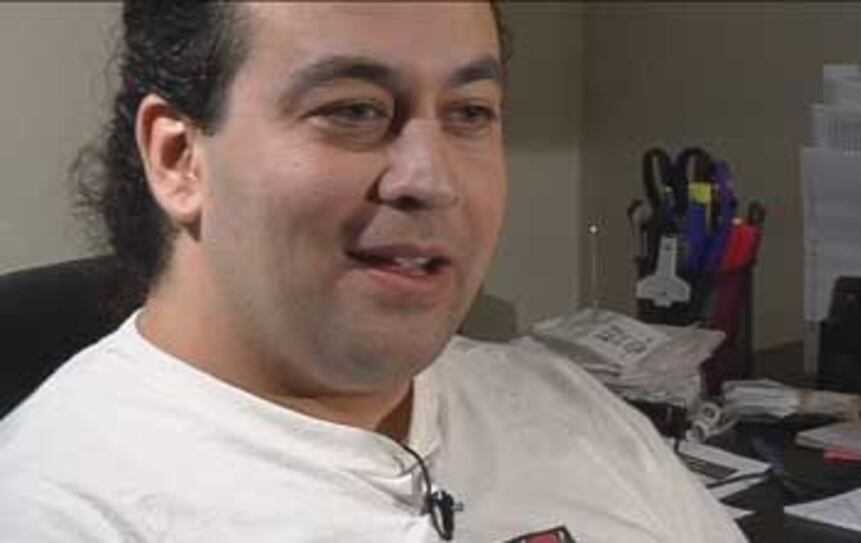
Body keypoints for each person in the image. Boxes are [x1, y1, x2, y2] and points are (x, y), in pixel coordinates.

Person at [0, 2, 746, 541]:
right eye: (353, 110)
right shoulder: (58, 509)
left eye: (470, 112)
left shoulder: (566, 408)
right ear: (178, 158)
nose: (432, 180)